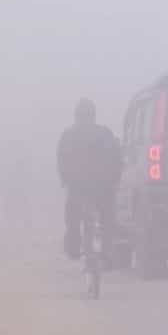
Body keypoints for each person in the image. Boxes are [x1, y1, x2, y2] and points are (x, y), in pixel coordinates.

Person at [56, 98, 121, 259]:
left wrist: (66, 179)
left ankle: (74, 247)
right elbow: (117, 159)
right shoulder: (104, 133)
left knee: (72, 220)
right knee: (107, 220)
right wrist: (114, 180)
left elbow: (62, 161)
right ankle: (107, 250)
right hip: (102, 189)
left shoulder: (68, 135)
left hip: (79, 188)